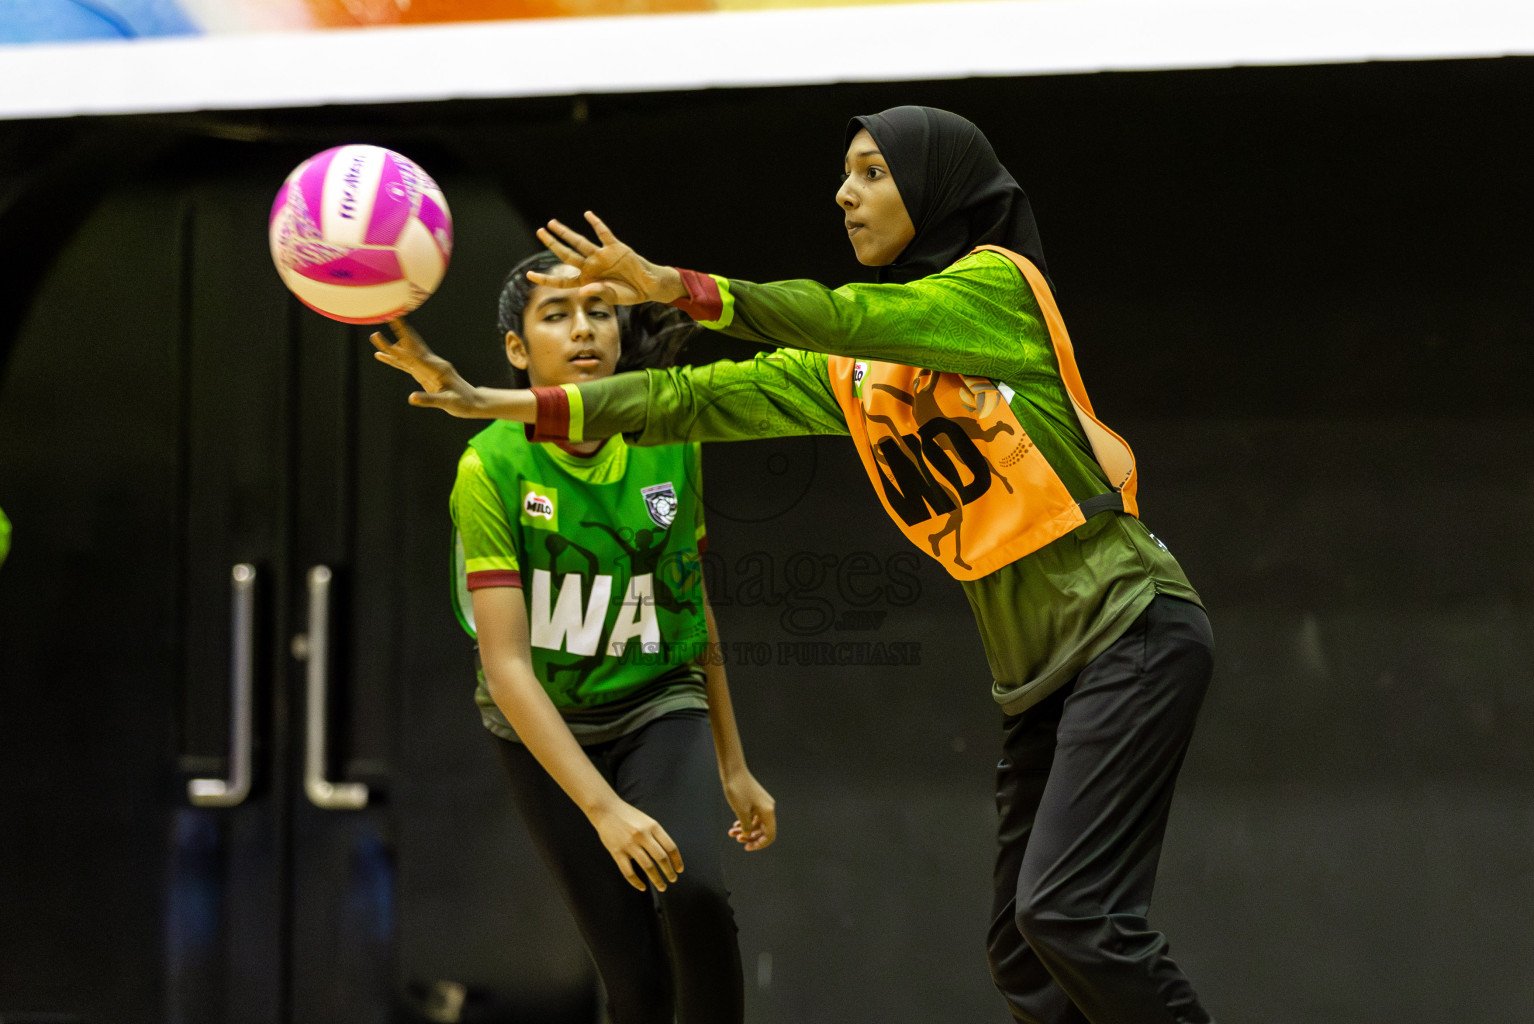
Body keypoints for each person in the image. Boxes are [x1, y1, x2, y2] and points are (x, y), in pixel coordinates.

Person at [374, 106, 1215, 1024]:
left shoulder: (994, 292)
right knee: (1023, 956)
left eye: (872, 173)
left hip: (1128, 628)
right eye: (844, 175)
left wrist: (679, 286)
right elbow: (684, 398)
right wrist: (489, 399)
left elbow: (840, 312)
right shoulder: (853, 374)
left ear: (936, 186)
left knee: (1071, 914)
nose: (845, 194)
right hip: (1037, 677)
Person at [382, 251, 776, 1024]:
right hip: (544, 725)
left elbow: (692, 601)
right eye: (556, 314)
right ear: (516, 351)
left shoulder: (669, 434)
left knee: (694, 892)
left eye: (599, 309)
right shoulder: (490, 465)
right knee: (634, 980)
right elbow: (506, 668)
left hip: (659, 701)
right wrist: (603, 810)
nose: (584, 328)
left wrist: (733, 762)